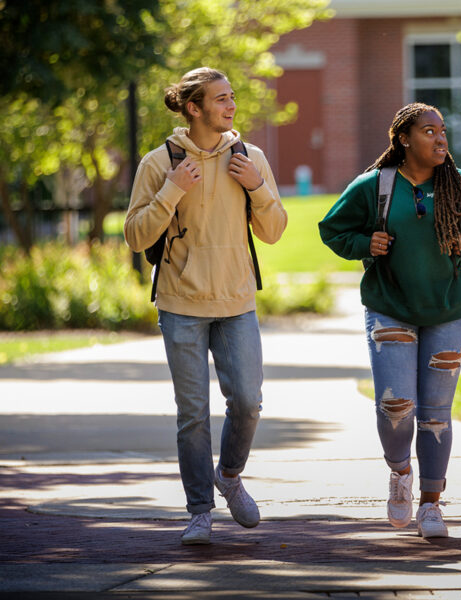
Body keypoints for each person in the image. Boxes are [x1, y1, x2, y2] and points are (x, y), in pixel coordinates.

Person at [319, 103, 461, 538]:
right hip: (390, 307)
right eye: (429, 131)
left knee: (437, 415)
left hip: (450, 311)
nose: (441, 138)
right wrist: (366, 243)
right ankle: (400, 471)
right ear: (404, 139)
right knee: (395, 407)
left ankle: (431, 505)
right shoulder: (376, 186)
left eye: (443, 130)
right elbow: (333, 229)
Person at [124, 67, 288, 545]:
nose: (231, 106)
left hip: (237, 302)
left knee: (248, 402)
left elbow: (274, 230)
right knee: (192, 414)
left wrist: (257, 186)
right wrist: (173, 187)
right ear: (194, 108)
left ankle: (230, 474)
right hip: (180, 304)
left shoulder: (249, 156)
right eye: (220, 99)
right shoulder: (160, 161)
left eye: (232, 97)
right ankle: (199, 511)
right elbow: (136, 236)